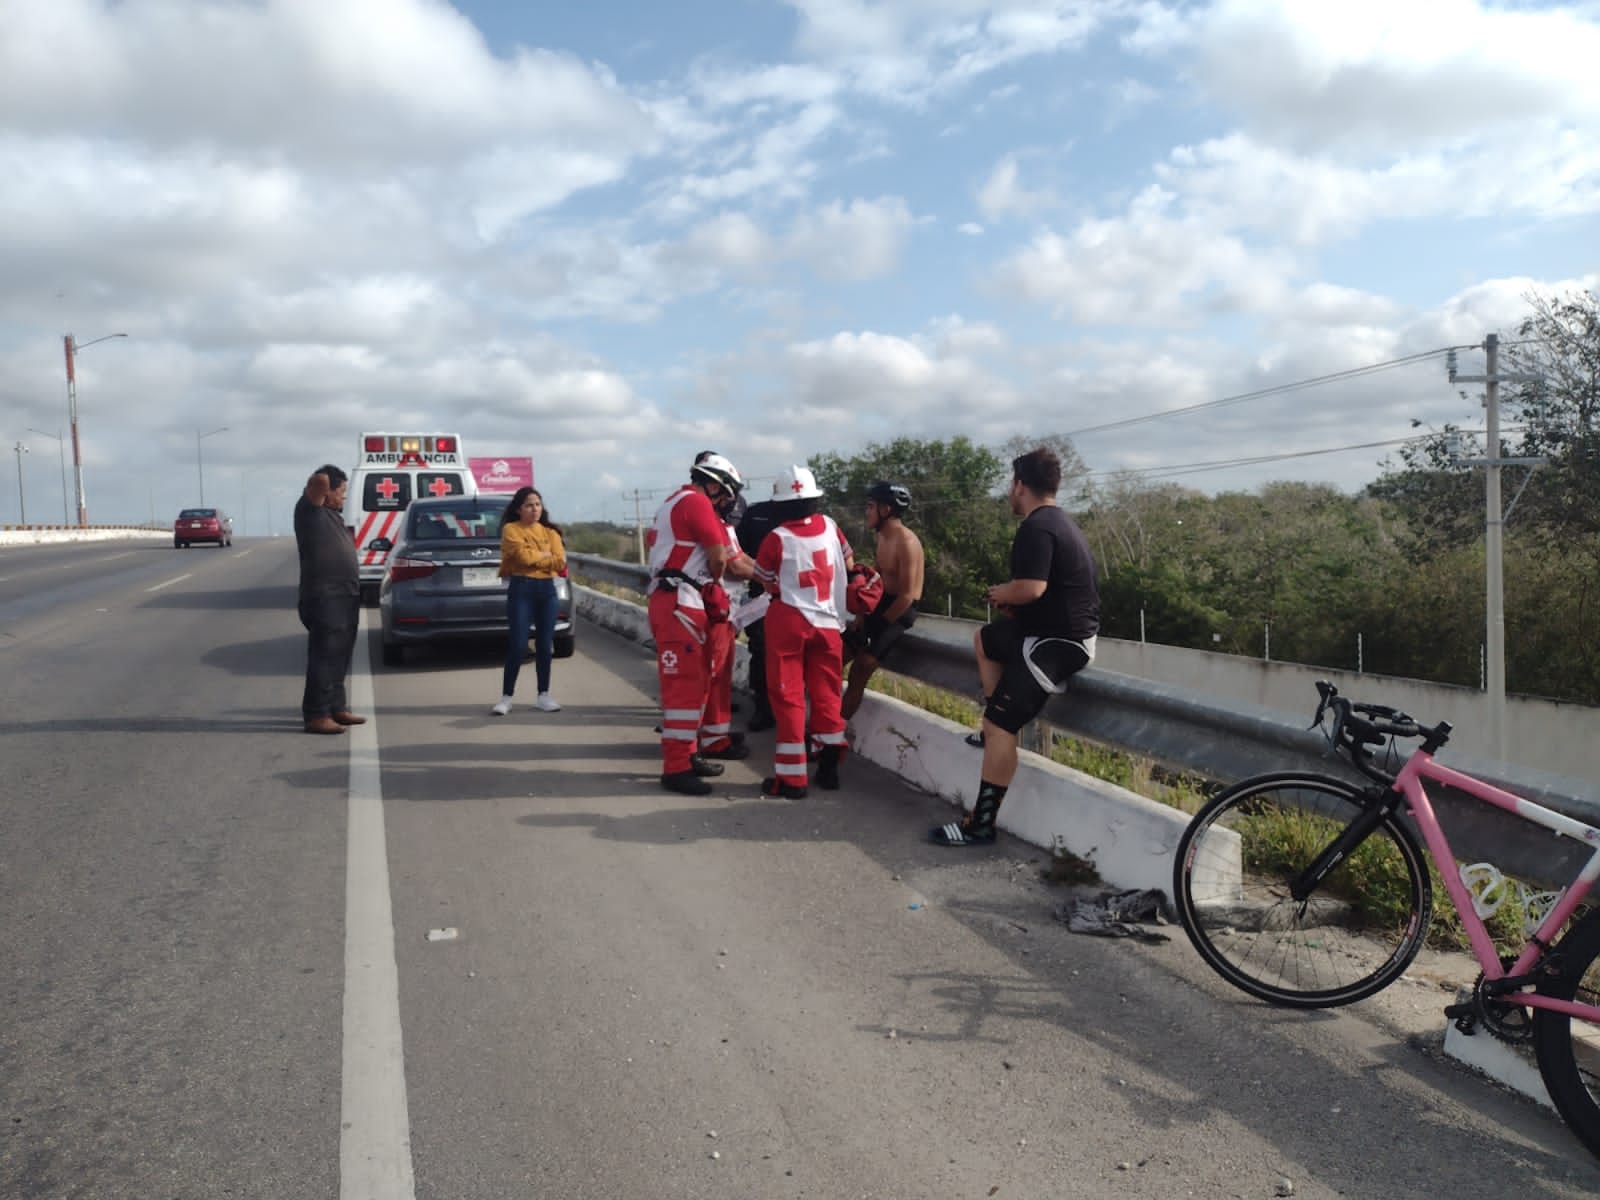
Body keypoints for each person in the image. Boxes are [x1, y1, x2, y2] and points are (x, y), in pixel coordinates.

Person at [932, 447, 1099, 847]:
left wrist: (1006, 592)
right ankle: (995, 728)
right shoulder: (1056, 522)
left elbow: (1032, 588)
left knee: (1000, 725)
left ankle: (981, 824)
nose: (1010, 492)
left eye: (1011, 484)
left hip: (1060, 643)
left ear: (1020, 485)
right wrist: (1013, 605)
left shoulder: (1037, 527)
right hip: (1047, 631)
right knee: (986, 640)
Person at [753, 465, 853, 799]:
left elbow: (765, 578)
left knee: (789, 697)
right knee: (827, 695)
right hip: (828, 622)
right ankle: (830, 768)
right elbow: (849, 565)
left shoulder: (776, 538)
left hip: (788, 621)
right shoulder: (832, 527)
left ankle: (792, 779)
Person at [647, 453, 744, 795]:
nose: (726, 502)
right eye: (725, 494)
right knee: (684, 689)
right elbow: (719, 557)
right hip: (681, 603)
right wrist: (714, 587)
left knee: (697, 683)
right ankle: (676, 768)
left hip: (676, 601)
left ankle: (688, 756)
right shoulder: (697, 503)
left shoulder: (671, 502)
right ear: (713, 483)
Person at [841, 481, 924, 721]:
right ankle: (821, 726)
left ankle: (833, 735)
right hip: (879, 603)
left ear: (885, 510)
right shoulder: (882, 537)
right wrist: (860, 614)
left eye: (870, 506)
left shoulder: (906, 542)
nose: (866, 512)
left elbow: (907, 595)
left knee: (861, 668)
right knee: (833, 659)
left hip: (899, 610)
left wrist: (877, 626)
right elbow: (875, 577)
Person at [294, 464, 365, 735]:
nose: (345, 497)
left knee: (340, 655)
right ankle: (316, 714)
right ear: (327, 491)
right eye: (342, 490)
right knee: (324, 656)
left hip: (345, 595)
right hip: (324, 596)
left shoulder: (331, 514)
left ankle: (336, 706)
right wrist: (326, 482)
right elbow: (319, 479)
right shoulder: (309, 510)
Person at [491, 487, 566, 716]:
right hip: (521, 588)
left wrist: (538, 558)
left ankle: (543, 695)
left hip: (547, 591)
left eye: (538, 504)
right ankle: (506, 697)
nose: (535, 509)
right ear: (518, 509)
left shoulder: (551, 533)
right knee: (518, 644)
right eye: (529, 505)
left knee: (544, 645)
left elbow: (560, 562)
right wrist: (544, 557)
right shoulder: (511, 530)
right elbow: (522, 558)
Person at [734, 494, 784, 732]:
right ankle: (762, 706)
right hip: (761, 597)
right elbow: (737, 552)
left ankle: (785, 709)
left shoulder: (810, 518)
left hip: (798, 601)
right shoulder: (755, 515)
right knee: (762, 652)